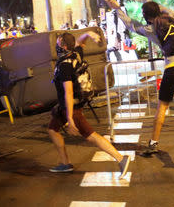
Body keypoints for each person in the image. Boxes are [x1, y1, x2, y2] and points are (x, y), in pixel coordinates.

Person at [106, 0, 174, 158]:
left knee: (162, 106)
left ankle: (153, 143)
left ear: (146, 16)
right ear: (158, 10)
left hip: (172, 67)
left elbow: (131, 25)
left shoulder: (150, 29)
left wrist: (117, 8)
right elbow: (162, 8)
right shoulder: (172, 16)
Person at [48, 31, 130, 178]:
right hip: (66, 106)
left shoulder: (65, 65)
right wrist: (90, 33)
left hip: (71, 107)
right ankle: (65, 163)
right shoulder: (76, 54)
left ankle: (120, 158)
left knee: (90, 135)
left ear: (64, 46)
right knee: (53, 129)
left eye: (59, 43)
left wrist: (70, 118)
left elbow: (68, 92)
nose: (57, 45)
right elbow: (80, 40)